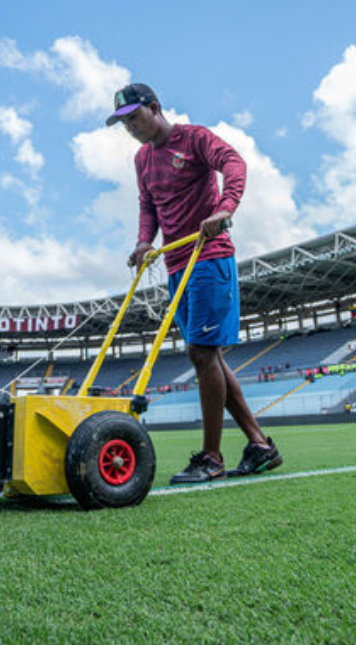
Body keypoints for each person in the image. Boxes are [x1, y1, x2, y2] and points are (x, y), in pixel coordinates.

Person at [109, 83, 282, 484]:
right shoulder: (141, 159)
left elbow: (234, 163)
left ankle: (211, 457)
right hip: (175, 264)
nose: (130, 127)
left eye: (134, 117)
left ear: (154, 108)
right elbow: (148, 205)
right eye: (123, 122)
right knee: (210, 357)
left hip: (210, 256)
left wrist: (224, 208)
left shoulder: (195, 139)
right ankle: (259, 445)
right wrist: (142, 242)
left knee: (201, 354)